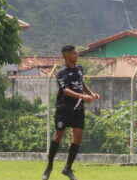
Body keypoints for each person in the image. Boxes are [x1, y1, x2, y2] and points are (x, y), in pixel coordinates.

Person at [42, 45, 101, 180]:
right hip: (64, 109)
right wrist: (82, 97)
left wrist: (91, 94)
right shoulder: (61, 73)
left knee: (78, 137)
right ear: (67, 55)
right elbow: (66, 90)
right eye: (74, 53)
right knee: (58, 135)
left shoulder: (80, 69)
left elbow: (81, 83)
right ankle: (49, 166)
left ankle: (67, 168)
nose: (77, 55)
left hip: (78, 109)